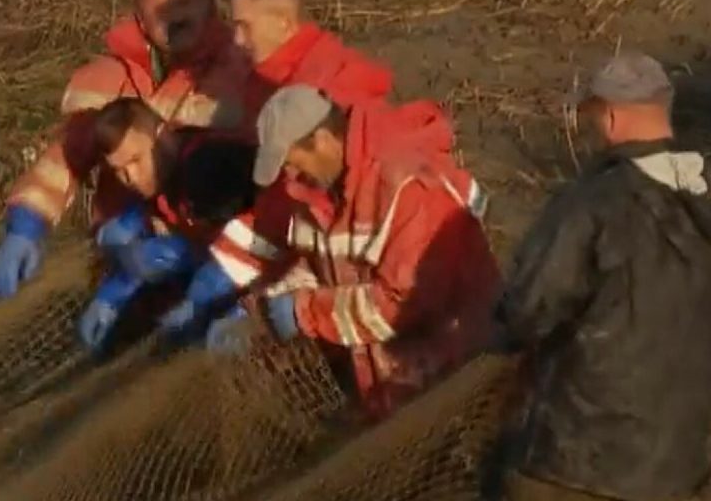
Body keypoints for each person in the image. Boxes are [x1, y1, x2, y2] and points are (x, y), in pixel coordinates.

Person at [167, 85, 499, 418]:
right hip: (390, 378)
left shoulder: (406, 187)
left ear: (324, 140)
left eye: (293, 162)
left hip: (458, 367)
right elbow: (316, 267)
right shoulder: (315, 191)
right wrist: (255, 312)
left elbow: (404, 303)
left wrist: (303, 312)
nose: (290, 176)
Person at [497, 54, 711, 501]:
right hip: (680, 463)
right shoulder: (700, 192)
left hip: (580, 459)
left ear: (610, 117)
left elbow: (528, 310)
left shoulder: (591, 204)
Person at [0, 0, 253, 300]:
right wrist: (27, 222)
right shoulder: (112, 79)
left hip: (208, 269)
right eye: (160, 10)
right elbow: (67, 155)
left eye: (185, 1)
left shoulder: (239, 72)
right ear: (140, 20)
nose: (176, 16)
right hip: (117, 272)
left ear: (208, 3)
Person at [79, 97, 257, 352]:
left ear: (162, 136)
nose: (129, 177)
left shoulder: (207, 167)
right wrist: (110, 297)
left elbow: (269, 226)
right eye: (118, 170)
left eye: (135, 160)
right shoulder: (162, 182)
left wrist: (215, 282)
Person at [221, 0, 393, 115]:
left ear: (284, 24)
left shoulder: (318, 96)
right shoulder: (275, 69)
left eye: (245, 26)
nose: (238, 39)